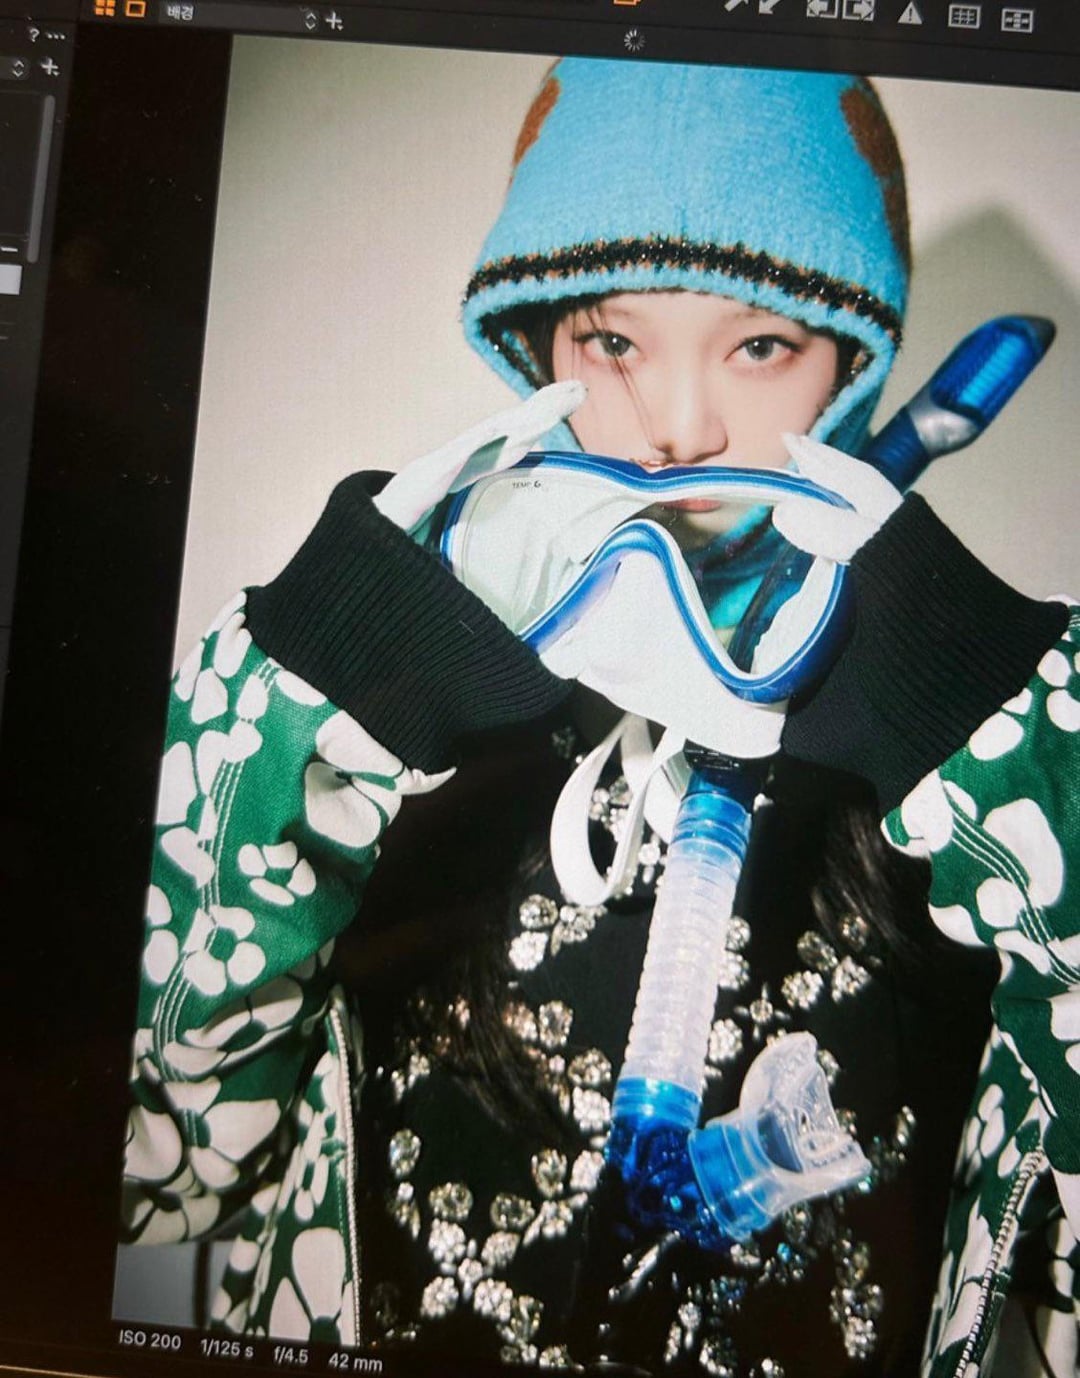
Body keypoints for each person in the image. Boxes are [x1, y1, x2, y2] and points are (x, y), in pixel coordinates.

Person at [121, 59, 1079, 1376]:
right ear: (537, 351)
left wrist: (1011, 736)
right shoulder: (397, 749)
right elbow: (150, 1174)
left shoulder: (953, 816)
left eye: (761, 344)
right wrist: (309, 685)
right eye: (616, 342)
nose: (680, 428)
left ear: (851, 370)